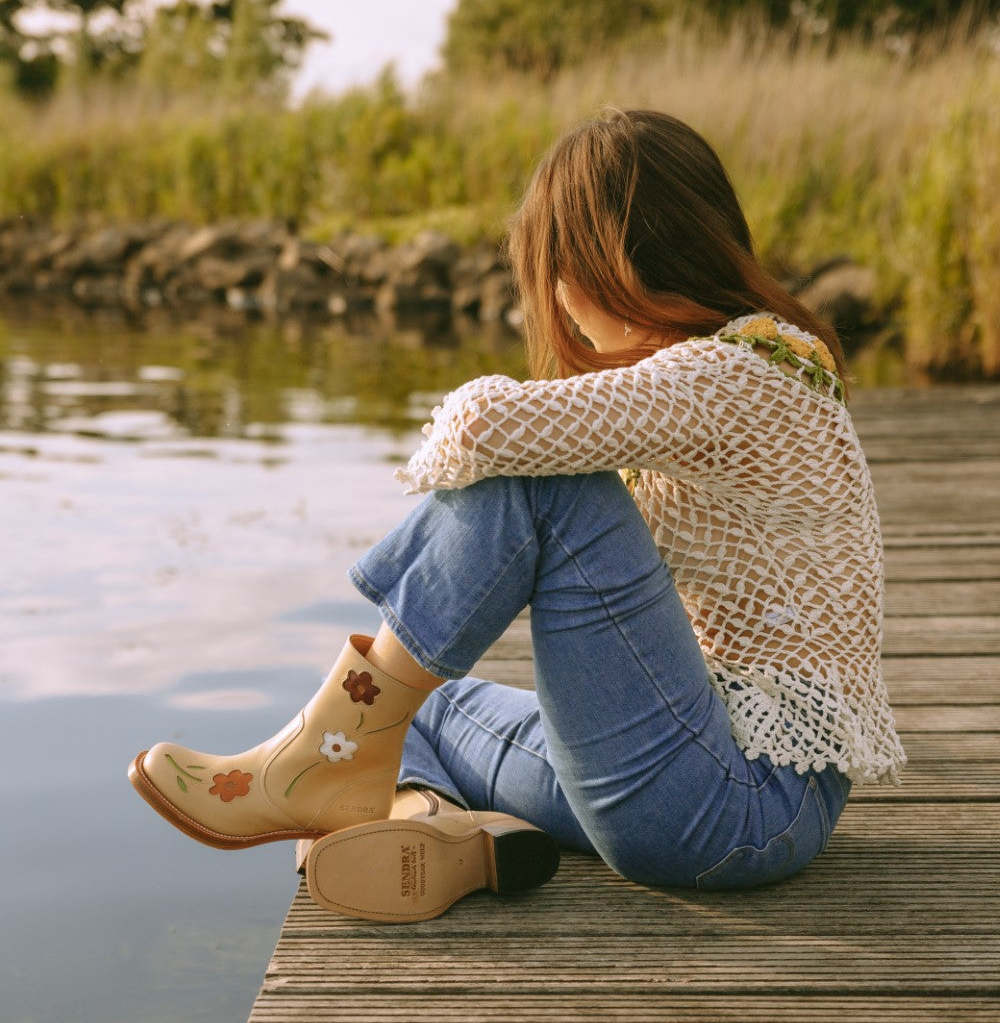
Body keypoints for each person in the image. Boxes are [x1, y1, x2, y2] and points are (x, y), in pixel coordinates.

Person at [128, 108, 906, 923]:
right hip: (717, 784)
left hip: (737, 801)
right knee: (422, 706)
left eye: (556, 273)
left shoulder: (734, 373)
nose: (561, 306)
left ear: (601, 267)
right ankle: (441, 830)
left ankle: (314, 762)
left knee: (544, 481)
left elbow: (482, 426)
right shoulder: (746, 368)